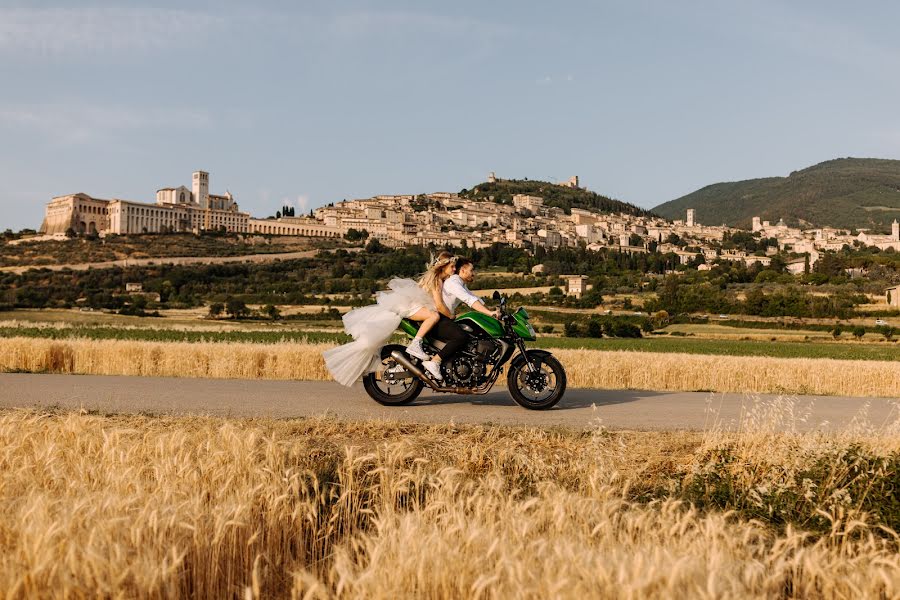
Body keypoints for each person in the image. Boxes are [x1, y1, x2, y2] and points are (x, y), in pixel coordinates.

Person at [322, 254, 455, 386]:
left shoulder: (439, 280)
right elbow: (438, 304)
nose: (454, 269)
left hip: (414, 305)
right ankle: (416, 344)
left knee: (434, 316)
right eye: (452, 266)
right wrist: (451, 316)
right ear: (443, 266)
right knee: (434, 316)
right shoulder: (437, 280)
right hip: (412, 306)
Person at [424, 256, 499, 372]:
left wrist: (492, 311)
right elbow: (469, 300)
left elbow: (475, 298)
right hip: (439, 318)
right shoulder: (453, 282)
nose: (473, 273)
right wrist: (490, 313)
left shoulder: (460, 283)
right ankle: (435, 361)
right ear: (463, 270)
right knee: (461, 337)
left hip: (444, 318)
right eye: (471, 270)